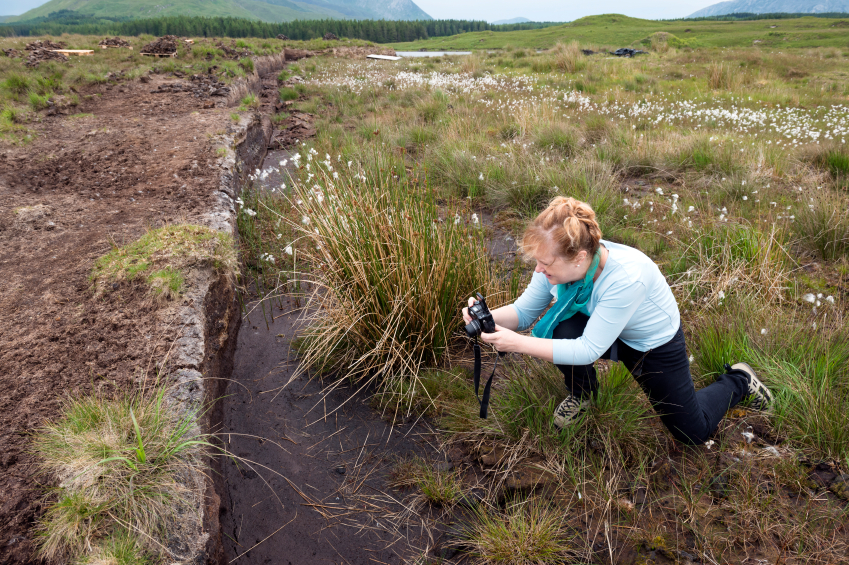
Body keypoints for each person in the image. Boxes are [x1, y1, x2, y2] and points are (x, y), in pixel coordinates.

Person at [461, 196, 773, 445]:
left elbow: (587, 350)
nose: (540, 270)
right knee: (561, 327)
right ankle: (583, 396)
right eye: (538, 262)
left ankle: (739, 381)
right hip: (602, 325)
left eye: (545, 263)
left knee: (692, 433)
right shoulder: (557, 262)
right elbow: (525, 311)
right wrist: (486, 316)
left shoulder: (625, 278)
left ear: (580, 258)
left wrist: (518, 343)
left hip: (651, 344)